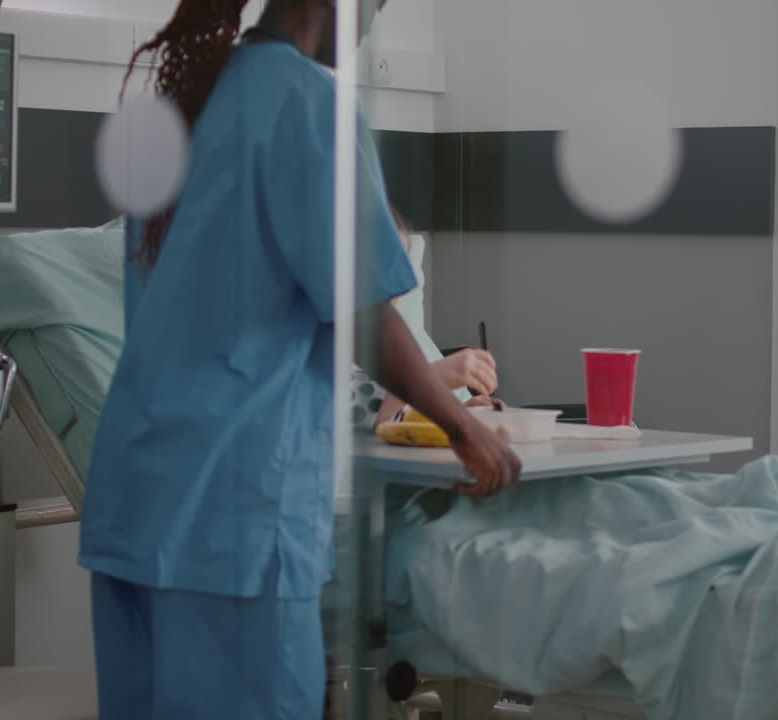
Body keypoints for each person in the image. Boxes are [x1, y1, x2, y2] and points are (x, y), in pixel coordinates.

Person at [77, 1, 521, 718]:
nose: (370, 27)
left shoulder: (184, 106)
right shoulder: (309, 105)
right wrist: (468, 433)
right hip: (233, 518)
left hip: (137, 499)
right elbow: (365, 317)